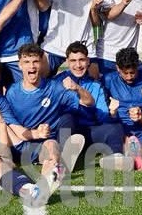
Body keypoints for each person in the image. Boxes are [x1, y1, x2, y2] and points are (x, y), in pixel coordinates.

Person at [5, 43, 89, 177]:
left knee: (52, 143)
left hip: (45, 144)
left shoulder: (54, 88)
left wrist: (77, 88)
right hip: (22, 144)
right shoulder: (12, 93)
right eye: (26, 62)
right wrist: (35, 133)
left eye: (35, 62)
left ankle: (53, 174)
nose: (31, 66)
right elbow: (10, 125)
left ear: (42, 64)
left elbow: (88, 103)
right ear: (20, 65)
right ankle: (60, 164)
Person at [103, 47, 142, 171]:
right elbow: (100, 112)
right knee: (124, 141)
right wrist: (112, 111)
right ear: (118, 68)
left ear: (137, 67)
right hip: (118, 128)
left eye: (133, 72)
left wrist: (141, 117)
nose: (129, 76)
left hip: (141, 129)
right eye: (125, 73)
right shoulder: (108, 80)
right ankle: (134, 156)